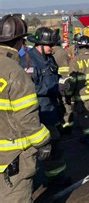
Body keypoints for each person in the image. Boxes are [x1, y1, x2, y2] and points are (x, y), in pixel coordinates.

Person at [0, 15, 51, 201]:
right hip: (11, 161)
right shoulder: (15, 72)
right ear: (21, 42)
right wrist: (43, 141)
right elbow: (27, 118)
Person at [20, 27, 70, 186]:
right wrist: (55, 86)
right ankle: (46, 179)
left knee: (54, 146)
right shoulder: (28, 61)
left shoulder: (49, 58)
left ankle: (55, 178)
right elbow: (29, 89)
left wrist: (62, 82)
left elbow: (54, 76)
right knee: (44, 148)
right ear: (39, 44)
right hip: (39, 112)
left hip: (51, 109)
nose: (52, 47)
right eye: (50, 45)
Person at [52, 36, 74, 133]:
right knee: (66, 104)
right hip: (63, 81)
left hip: (53, 83)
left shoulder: (49, 52)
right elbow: (66, 69)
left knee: (57, 104)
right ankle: (67, 126)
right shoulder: (61, 52)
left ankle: (58, 125)